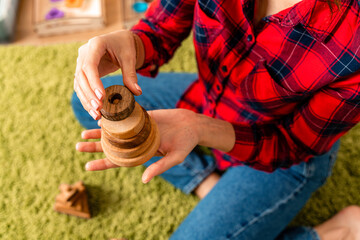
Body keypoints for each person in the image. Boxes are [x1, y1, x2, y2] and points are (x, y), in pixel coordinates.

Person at [71, 0, 360, 239]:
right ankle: (206, 182)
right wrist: (129, 44)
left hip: (285, 155)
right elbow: (160, 30)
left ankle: (339, 232)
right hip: (210, 99)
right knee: (91, 102)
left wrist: (200, 128)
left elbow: (292, 143)